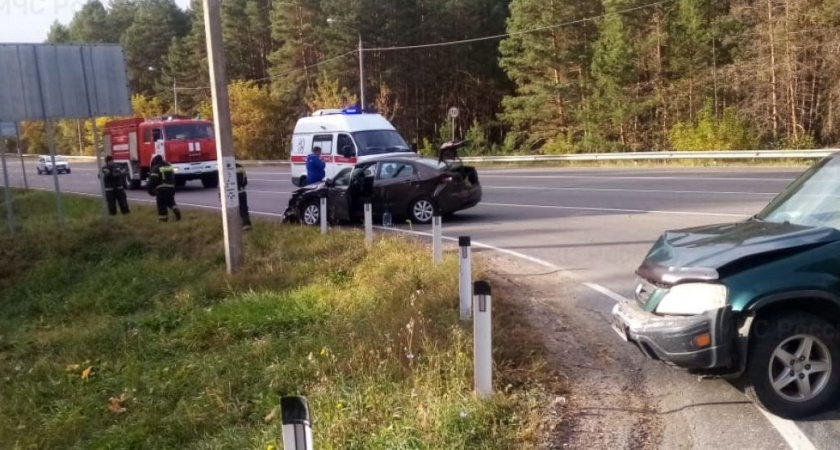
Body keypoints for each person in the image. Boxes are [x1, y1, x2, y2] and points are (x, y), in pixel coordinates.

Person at [147, 155, 181, 222]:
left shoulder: (156, 168)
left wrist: (150, 190)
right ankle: (175, 209)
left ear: (155, 161)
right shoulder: (169, 166)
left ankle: (163, 220)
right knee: (170, 201)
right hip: (171, 188)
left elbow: (153, 180)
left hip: (161, 189)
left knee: (161, 205)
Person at [236, 163, 252, 230]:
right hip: (242, 191)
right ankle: (247, 225)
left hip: (231, 194)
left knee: (234, 210)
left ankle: (236, 227)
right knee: (244, 209)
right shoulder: (240, 167)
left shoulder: (224, 167)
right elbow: (245, 180)